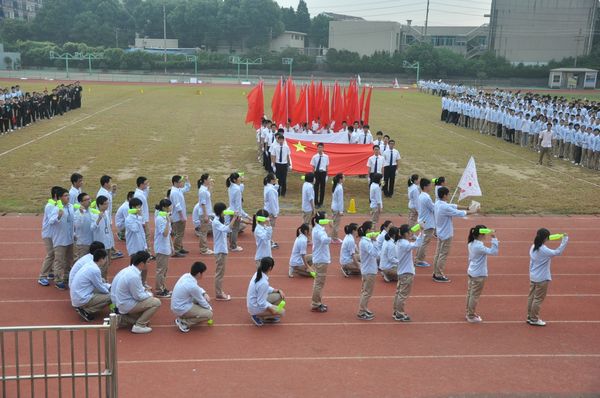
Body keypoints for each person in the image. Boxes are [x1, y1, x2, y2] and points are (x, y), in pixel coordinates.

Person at [433, 186, 477, 283]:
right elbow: (459, 213)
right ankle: (438, 274)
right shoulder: (444, 207)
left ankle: (435, 272)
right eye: (448, 194)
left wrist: (467, 207)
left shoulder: (437, 203)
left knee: (438, 253)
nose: (449, 195)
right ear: (444, 195)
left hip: (440, 232)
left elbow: (453, 206)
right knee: (443, 255)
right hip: (446, 234)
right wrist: (473, 211)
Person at [112, 251, 161, 334]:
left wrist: (145, 292)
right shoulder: (133, 276)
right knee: (156, 302)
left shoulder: (131, 270)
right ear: (142, 263)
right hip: (125, 304)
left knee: (145, 318)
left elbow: (138, 290)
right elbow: (138, 296)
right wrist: (149, 294)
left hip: (122, 302)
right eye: (147, 262)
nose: (148, 264)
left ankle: (122, 319)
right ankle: (139, 325)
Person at [527, 228, 569, 326]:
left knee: (531, 297)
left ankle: (529, 316)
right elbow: (558, 252)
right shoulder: (544, 250)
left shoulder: (533, 246)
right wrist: (565, 239)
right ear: (546, 238)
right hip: (542, 278)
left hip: (533, 276)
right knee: (538, 299)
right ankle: (534, 319)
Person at [466, 225, 499, 323]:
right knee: (474, 295)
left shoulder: (471, 243)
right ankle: (471, 315)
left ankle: (469, 312)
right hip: (478, 274)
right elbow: (494, 252)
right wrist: (494, 238)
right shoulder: (479, 246)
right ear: (481, 234)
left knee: (470, 294)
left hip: (472, 271)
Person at [393, 224, 425, 322]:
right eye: (409, 232)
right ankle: (400, 313)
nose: (411, 233)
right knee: (403, 294)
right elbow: (417, 244)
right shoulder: (404, 244)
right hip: (406, 272)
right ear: (405, 233)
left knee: (399, 293)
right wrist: (422, 232)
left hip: (402, 271)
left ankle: (396, 311)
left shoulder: (400, 242)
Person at [171, 261, 213, 333]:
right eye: (203, 273)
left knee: (202, 300)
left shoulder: (186, 275)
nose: (203, 275)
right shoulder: (192, 286)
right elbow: (201, 300)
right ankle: (184, 322)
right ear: (199, 273)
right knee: (209, 314)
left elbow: (197, 289)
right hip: (181, 308)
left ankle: (185, 316)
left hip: (177, 305)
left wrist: (204, 293)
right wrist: (209, 308)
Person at [70, 249, 111, 322]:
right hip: (82, 298)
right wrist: (110, 292)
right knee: (111, 297)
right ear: (101, 259)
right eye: (105, 259)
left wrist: (108, 286)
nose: (106, 261)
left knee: (104, 287)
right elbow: (100, 287)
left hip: (78, 295)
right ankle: (86, 311)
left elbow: (99, 283)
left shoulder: (90, 264)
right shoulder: (95, 270)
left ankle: (84, 308)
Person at [246, 257, 286, 326]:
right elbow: (261, 302)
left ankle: (266, 316)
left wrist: (276, 290)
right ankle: (257, 316)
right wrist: (271, 309)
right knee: (282, 312)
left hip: (253, 303)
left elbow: (264, 288)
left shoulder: (258, 273)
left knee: (279, 296)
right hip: (255, 307)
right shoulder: (263, 282)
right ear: (270, 268)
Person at [212, 202, 237, 301]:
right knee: (219, 273)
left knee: (221, 272)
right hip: (220, 251)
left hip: (222, 249)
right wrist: (234, 218)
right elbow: (227, 229)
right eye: (224, 210)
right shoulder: (216, 222)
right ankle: (218, 293)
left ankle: (219, 292)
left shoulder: (219, 220)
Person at [50, 187, 74, 290]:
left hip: (70, 239)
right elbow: (50, 222)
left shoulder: (71, 206)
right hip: (60, 240)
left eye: (68, 195)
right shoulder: (56, 208)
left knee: (69, 260)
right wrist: (58, 217)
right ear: (60, 198)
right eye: (65, 195)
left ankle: (66, 278)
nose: (68, 197)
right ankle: (58, 280)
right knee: (59, 261)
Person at [38, 186, 61, 286]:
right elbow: (53, 220)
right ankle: (42, 276)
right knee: (51, 254)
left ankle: (51, 272)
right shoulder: (50, 206)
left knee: (54, 253)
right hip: (48, 234)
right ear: (56, 196)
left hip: (53, 233)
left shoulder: (55, 204)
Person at [357, 221, 379, 320]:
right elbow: (375, 253)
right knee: (367, 292)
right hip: (369, 270)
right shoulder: (366, 242)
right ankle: (361, 312)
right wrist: (375, 241)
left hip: (368, 269)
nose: (374, 231)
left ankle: (364, 308)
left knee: (365, 291)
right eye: (372, 229)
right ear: (368, 230)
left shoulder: (366, 241)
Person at [311, 211, 333, 313]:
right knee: (319, 283)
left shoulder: (318, 229)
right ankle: (316, 303)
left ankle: (318, 302)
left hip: (320, 259)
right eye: (326, 218)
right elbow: (325, 240)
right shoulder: (320, 231)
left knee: (319, 282)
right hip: (321, 260)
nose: (328, 220)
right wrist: (331, 229)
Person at [90, 195, 114, 280]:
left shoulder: (106, 213)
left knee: (107, 264)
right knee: (101, 265)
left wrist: (111, 242)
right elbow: (92, 228)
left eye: (107, 204)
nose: (107, 206)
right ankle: (99, 282)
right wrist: (98, 219)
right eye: (104, 204)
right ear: (99, 205)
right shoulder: (94, 214)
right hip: (100, 243)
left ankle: (105, 280)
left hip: (107, 242)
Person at [154, 199, 173, 298]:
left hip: (165, 248)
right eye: (169, 206)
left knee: (164, 270)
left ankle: (163, 287)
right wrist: (168, 222)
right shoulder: (160, 219)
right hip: (161, 248)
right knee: (161, 270)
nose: (171, 208)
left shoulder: (165, 217)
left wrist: (171, 246)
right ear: (164, 208)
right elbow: (165, 234)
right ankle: (159, 290)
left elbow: (169, 235)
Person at [226, 172, 250, 252]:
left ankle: (231, 244)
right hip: (235, 212)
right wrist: (239, 214)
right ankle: (233, 246)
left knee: (232, 229)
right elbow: (238, 203)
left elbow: (240, 189)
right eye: (239, 178)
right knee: (235, 229)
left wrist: (242, 182)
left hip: (231, 211)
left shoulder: (231, 187)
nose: (240, 179)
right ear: (234, 179)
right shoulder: (236, 189)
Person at [169, 175, 191, 255]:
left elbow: (187, 188)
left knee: (180, 234)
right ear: (175, 183)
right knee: (179, 234)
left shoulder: (178, 190)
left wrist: (187, 180)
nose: (181, 183)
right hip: (178, 217)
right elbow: (177, 205)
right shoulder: (174, 192)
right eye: (180, 182)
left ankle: (180, 248)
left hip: (180, 216)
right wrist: (182, 216)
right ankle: (177, 250)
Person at [134, 176, 153, 257]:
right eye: (146, 184)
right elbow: (139, 209)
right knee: (146, 236)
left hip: (145, 218)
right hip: (143, 220)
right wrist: (143, 221)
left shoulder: (141, 193)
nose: (147, 185)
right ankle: (148, 253)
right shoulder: (139, 195)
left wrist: (147, 189)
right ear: (141, 184)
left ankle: (147, 252)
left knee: (146, 236)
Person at [197, 174, 215, 255]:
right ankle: (203, 249)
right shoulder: (203, 191)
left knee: (204, 232)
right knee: (203, 232)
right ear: (205, 180)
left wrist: (211, 185)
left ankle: (203, 248)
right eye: (209, 178)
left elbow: (209, 195)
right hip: (204, 213)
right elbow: (203, 204)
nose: (210, 179)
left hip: (207, 213)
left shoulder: (205, 189)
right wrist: (205, 215)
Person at [73, 192, 93, 261]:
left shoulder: (92, 211)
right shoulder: (77, 214)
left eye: (89, 199)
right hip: (83, 243)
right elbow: (78, 226)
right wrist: (82, 214)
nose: (89, 201)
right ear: (81, 202)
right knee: (81, 262)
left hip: (92, 241)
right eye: (86, 200)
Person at [263, 173, 280, 248]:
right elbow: (272, 202)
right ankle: (268, 242)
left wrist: (276, 184)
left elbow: (274, 189)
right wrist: (275, 214)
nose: (276, 179)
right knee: (270, 228)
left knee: (268, 227)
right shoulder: (271, 190)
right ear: (272, 180)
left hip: (267, 210)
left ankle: (269, 241)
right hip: (270, 212)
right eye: (275, 179)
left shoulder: (268, 187)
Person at [311, 143, 329, 208]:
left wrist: (327, 175)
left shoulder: (326, 156)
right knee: (315, 188)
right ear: (317, 148)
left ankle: (321, 203)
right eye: (319, 147)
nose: (320, 149)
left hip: (323, 173)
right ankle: (316, 203)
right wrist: (313, 176)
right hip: (316, 173)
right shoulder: (314, 157)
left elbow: (327, 166)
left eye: (321, 147)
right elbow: (313, 167)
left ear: (323, 148)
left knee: (322, 188)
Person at [330, 173, 344, 243]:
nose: (344, 179)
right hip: (337, 208)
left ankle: (332, 236)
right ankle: (334, 238)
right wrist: (341, 211)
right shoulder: (340, 188)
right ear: (340, 179)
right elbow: (340, 200)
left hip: (333, 206)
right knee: (336, 224)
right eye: (343, 178)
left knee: (334, 222)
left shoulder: (335, 186)